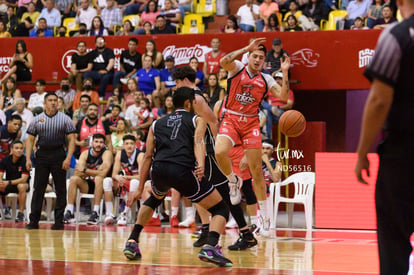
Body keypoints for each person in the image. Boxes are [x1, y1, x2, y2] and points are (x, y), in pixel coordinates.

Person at [123, 87, 233, 267]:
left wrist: (140, 187)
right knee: (220, 208)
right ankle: (211, 246)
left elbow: (148, 156)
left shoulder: (155, 123)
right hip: (182, 170)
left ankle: (132, 241)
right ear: (189, 103)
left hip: (159, 170)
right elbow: (198, 142)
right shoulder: (198, 119)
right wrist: (201, 165)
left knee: (154, 198)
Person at [354, 0, 414, 273]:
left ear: (400, 3)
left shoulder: (396, 36)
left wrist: (363, 151)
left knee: (394, 243)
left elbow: (379, 100)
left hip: (404, 155)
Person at [172, 67, 257, 249]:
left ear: (185, 80)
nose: (175, 87)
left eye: (177, 82)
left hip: (208, 150)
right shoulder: (191, 96)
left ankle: (245, 234)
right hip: (200, 149)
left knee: (224, 193)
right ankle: (206, 229)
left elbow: (211, 121)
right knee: (197, 190)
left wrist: (216, 148)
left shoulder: (196, 98)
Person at [215, 38, 290, 238]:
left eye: (261, 57)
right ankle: (232, 180)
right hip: (231, 117)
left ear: (264, 61)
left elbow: (283, 97)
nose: (257, 59)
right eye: (254, 56)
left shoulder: (266, 79)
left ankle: (264, 218)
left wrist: (285, 71)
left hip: (250, 123)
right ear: (248, 57)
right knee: (219, 152)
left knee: (257, 172)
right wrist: (245, 48)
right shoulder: (238, 67)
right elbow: (223, 62)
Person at [25, 92, 76, 230]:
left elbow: (72, 140)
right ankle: (33, 221)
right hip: (42, 156)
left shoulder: (65, 119)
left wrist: (67, 158)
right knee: (38, 189)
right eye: (50, 100)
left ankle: (58, 221)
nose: (53, 102)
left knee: (60, 189)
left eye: (55, 100)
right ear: (45, 103)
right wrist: (28, 158)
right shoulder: (37, 119)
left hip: (59, 155)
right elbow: (30, 140)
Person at [63, 133, 113, 224]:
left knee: (99, 178)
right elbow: (77, 172)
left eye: (101, 142)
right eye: (96, 142)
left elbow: (103, 174)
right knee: (74, 179)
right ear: (92, 143)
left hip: (104, 187)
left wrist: (85, 170)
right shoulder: (85, 153)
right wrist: (94, 172)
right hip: (89, 184)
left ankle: (95, 212)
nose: (98, 144)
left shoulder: (107, 153)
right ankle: (69, 211)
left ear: (104, 144)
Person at [104, 134, 143, 225]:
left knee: (133, 182)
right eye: (127, 144)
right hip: (126, 181)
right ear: (123, 145)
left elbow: (141, 176)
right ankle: (109, 214)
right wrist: (117, 177)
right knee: (107, 181)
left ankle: (125, 213)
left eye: (132, 144)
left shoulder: (140, 155)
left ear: (135, 145)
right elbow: (114, 173)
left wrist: (126, 178)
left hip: (140, 183)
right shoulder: (120, 154)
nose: (129, 146)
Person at [0, 140, 29, 222]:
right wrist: (1, 181)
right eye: (16, 148)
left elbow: (24, 179)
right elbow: (0, 175)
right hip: (9, 185)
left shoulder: (25, 160)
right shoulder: (5, 160)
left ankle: (21, 214)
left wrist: (8, 182)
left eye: (21, 148)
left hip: (23, 184)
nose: (19, 150)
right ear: (12, 149)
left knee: (21, 186)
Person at [263, 71, 294, 138]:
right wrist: (271, 108)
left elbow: (289, 105)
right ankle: (271, 108)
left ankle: (267, 138)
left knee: (268, 113)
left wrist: (278, 107)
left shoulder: (288, 91)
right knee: (266, 111)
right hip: (270, 111)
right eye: (276, 79)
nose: (277, 80)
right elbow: (261, 99)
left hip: (280, 113)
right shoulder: (270, 90)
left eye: (279, 79)